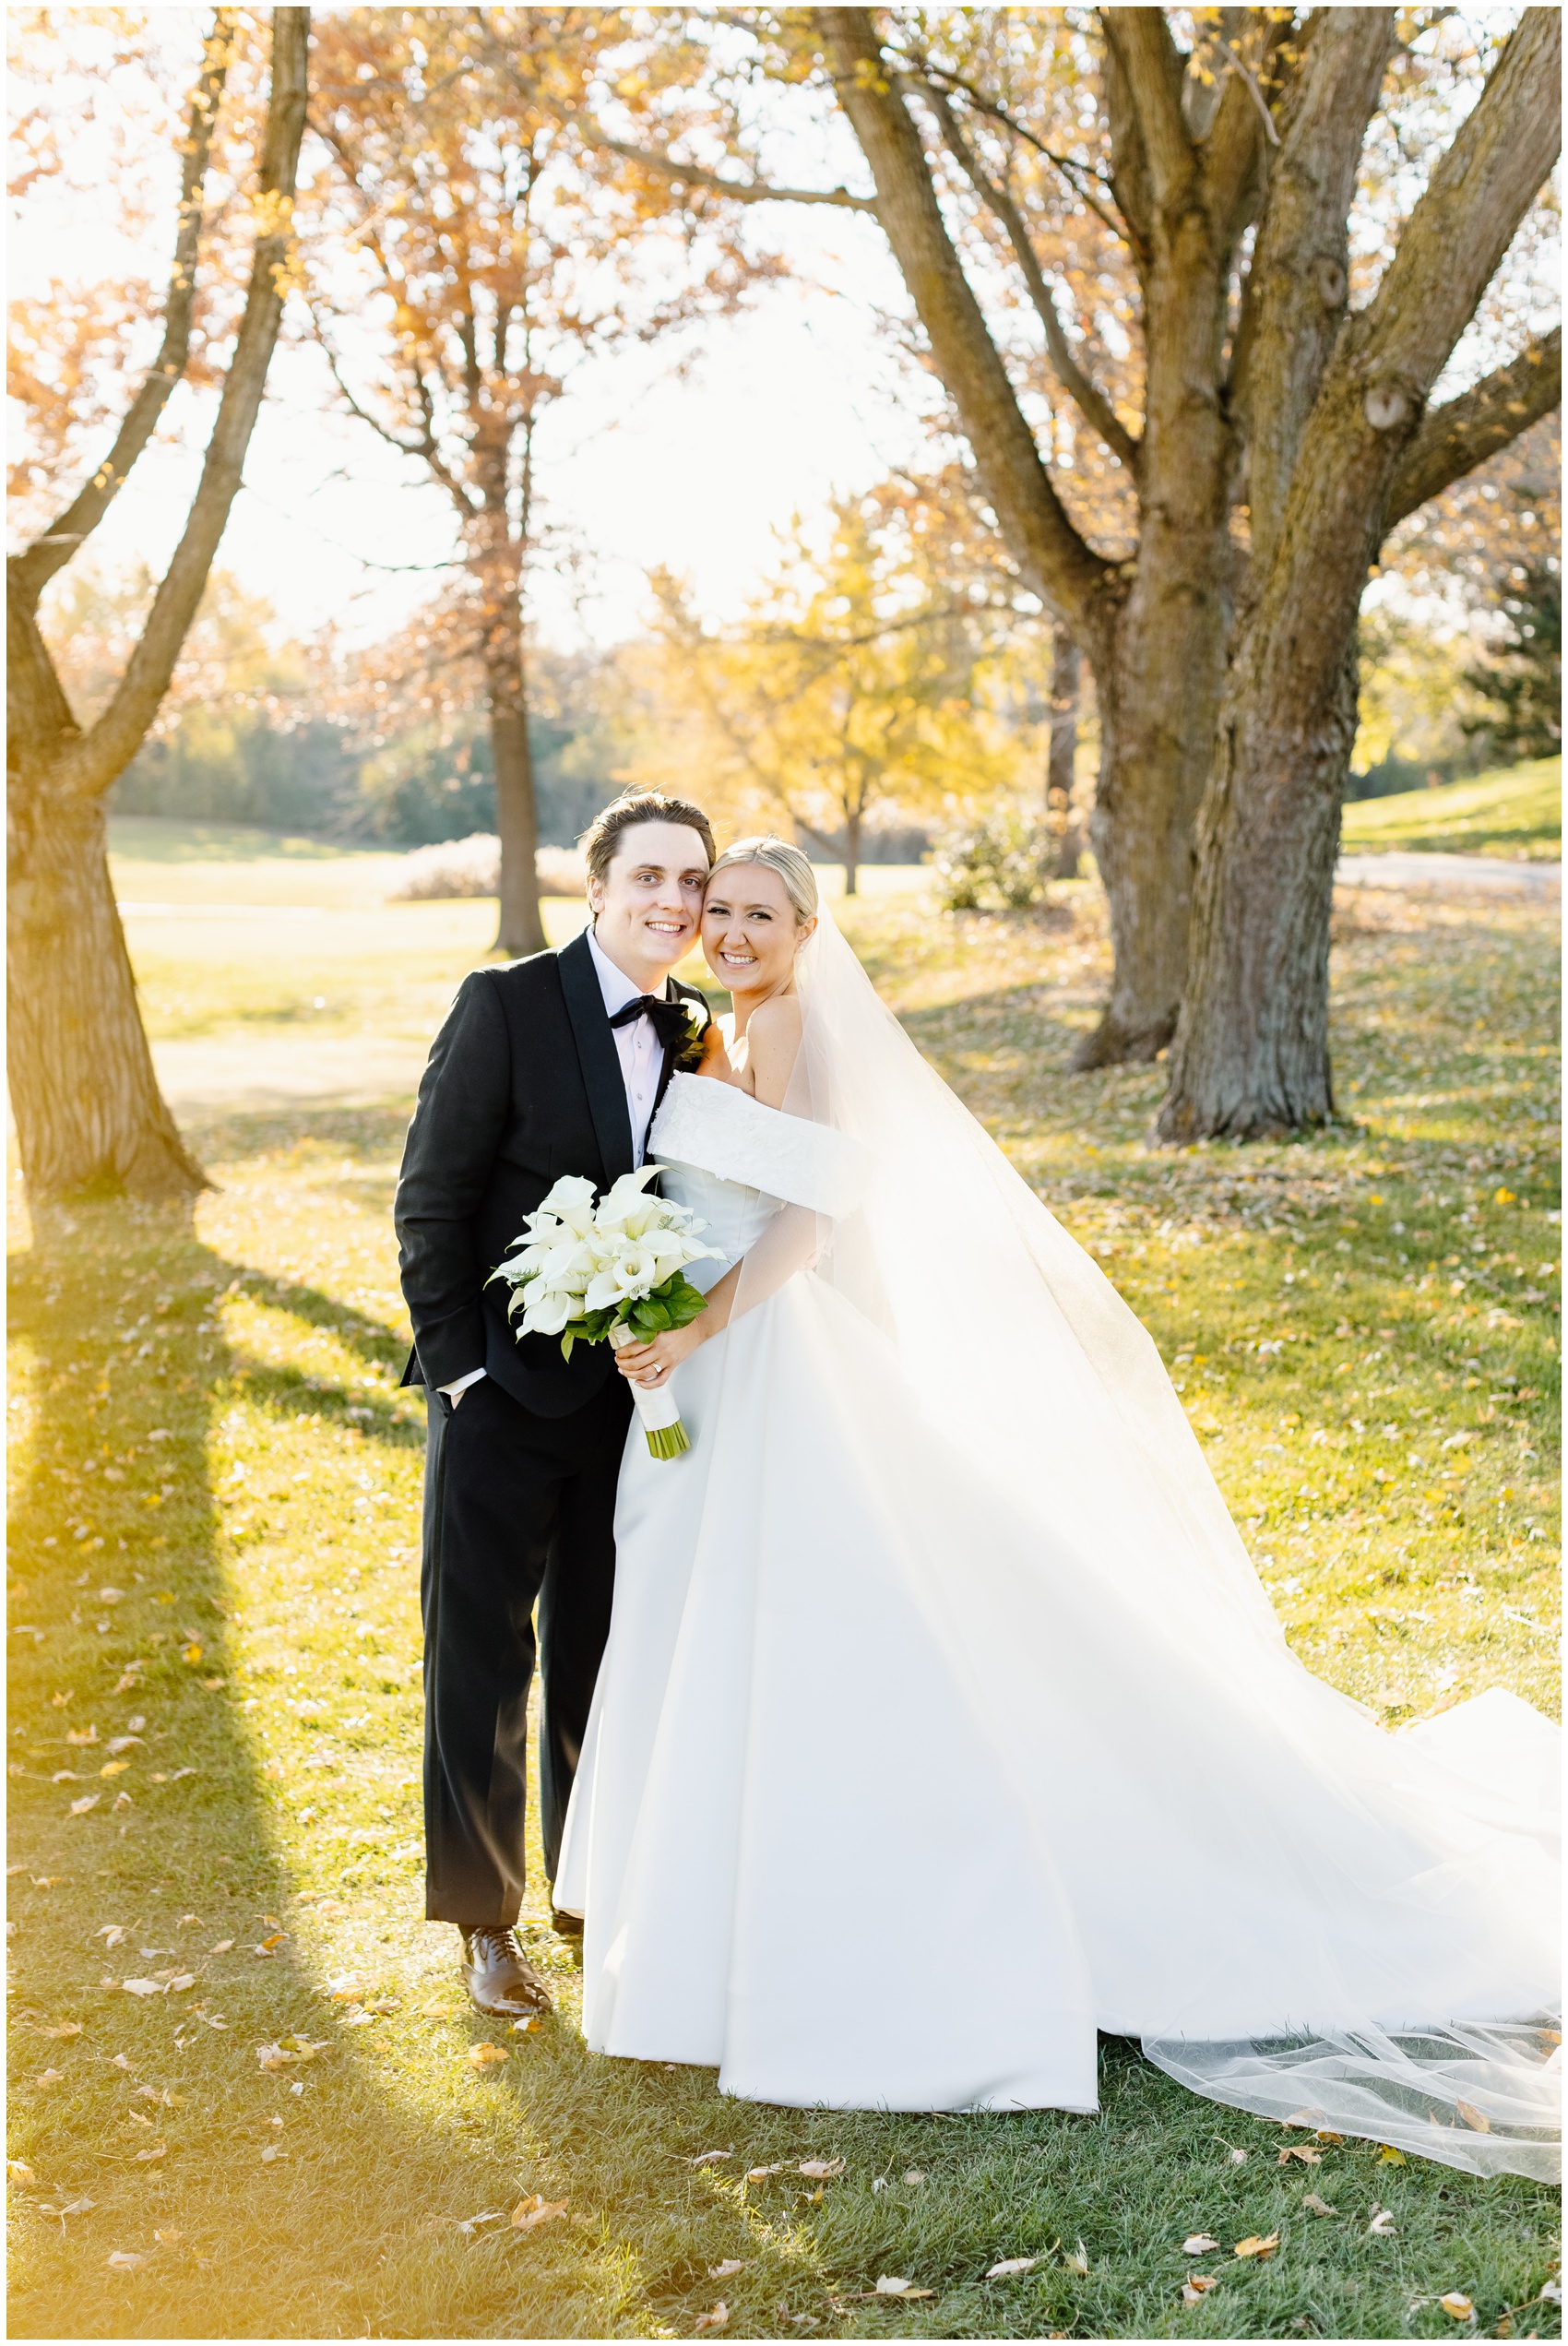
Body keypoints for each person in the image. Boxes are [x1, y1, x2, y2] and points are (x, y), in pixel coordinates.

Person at [554, 836, 1560, 2181]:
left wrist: (697, 1328)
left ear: (805, 928)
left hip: (772, 1360)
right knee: (735, 1620)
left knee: (820, 1629)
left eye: (755, 913)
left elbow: (811, 1225)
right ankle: (715, 1920)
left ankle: (796, 1929)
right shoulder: (721, 1031)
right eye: (715, 909)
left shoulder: (786, 1025)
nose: (728, 929)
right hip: (723, 1370)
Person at [395, 792, 714, 2018]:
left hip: (625, 1412)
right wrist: (460, 1370)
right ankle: (484, 1927)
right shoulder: (507, 1004)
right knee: (480, 1659)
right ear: (598, 887)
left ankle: (589, 1886)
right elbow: (431, 1196)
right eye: (651, 878)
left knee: (597, 1651)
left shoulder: (689, 1031)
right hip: (498, 1397)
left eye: (692, 881)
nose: (674, 903)